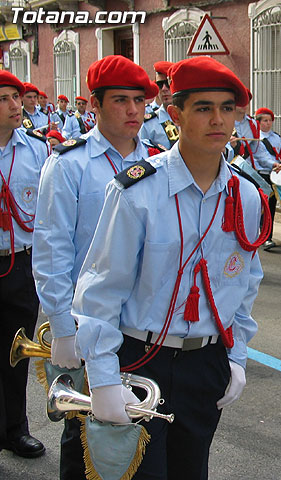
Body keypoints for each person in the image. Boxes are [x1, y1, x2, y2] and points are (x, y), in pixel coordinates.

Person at [71, 56, 268, 479]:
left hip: (205, 362)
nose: (218, 120)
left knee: (190, 471)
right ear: (175, 115)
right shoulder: (137, 191)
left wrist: (236, 355)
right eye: (203, 108)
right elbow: (102, 289)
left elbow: (245, 285)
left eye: (227, 108)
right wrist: (103, 377)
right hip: (139, 361)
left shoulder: (246, 196)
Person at [32, 54, 159, 479]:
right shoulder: (69, 164)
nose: (133, 111)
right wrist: (63, 329)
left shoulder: (160, 164)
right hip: (90, 324)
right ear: (94, 105)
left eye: (139, 101)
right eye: (121, 100)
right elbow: (52, 251)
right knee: (88, 439)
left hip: (145, 327)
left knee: (140, 436)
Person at [0, 70, 49, 459]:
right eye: (4, 98)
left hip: (19, 264)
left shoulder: (37, 150)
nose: (16, 105)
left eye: (16, 96)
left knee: (15, 353)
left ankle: (15, 430)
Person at [254, 107, 281, 251]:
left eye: (270, 120)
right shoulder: (256, 138)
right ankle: (257, 234)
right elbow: (262, 158)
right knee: (260, 206)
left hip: (275, 174)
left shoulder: (276, 137)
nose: (268, 123)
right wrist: (274, 164)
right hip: (261, 174)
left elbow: (279, 157)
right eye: (265, 120)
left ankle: (267, 237)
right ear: (258, 122)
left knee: (270, 206)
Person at [140, 61, 178, 149]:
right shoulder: (148, 124)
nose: (164, 89)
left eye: (168, 83)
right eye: (160, 85)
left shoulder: (190, 117)